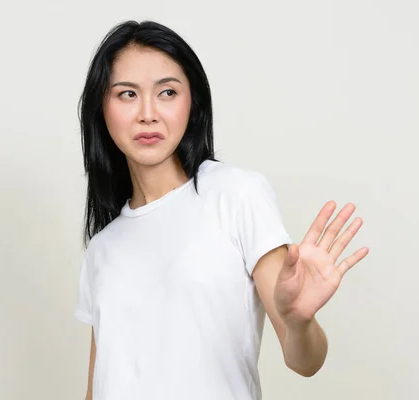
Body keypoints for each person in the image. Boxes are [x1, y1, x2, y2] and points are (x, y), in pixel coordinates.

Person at [75, 19, 369, 400]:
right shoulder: (103, 247)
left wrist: (300, 323)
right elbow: (98, 387)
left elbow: (305, 361)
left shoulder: (236, 195)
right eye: (127, 95)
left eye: (167, 92)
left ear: (192, 103)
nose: (147, 113)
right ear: (102, 108)